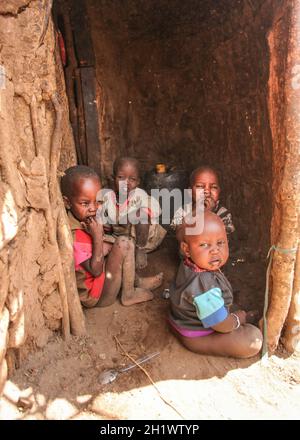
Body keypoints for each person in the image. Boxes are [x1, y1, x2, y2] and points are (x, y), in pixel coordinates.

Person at [61, 165, 161, 308]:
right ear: (67, 202)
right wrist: (97, 237)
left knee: (119, 243)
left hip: (101, 283)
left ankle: (134, 281)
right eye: (85, 203)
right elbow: (95, 271)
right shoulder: (73, 236)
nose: (93, 208)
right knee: (123, 244)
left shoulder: (83, 219)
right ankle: (129, 294)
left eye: (98, 201)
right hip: (98, 296)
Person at [169, 211, 262, 358]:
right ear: (186, 249)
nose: (215, 251)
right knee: (251, 341)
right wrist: (238, 319)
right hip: (196, 335)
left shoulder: (191, 263)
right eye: (204, 244)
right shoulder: (205, 288)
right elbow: (222, 326)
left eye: (220, 243)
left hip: (182, 319)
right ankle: (242, 319)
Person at [101, 157, 167, 270]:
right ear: (113, 178)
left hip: (143, 238)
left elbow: (156, 208)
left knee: (143, 217)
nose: (126, 183)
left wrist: (133, 215)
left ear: (138, 182)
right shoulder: (107, 197)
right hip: (119, 237)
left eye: (132, 179)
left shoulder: (139, 195)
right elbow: (105, 221)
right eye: (121, 178)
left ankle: (140, 251)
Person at [171, 165, 235, 237]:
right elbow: (179, 234)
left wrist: (208, 214)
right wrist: (198, 212)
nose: (207, 191)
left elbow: (223, 237)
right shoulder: (183, 211)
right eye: (200, 186)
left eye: (214, 187)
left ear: (219, 191)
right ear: (190, 192)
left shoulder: (223, 213)